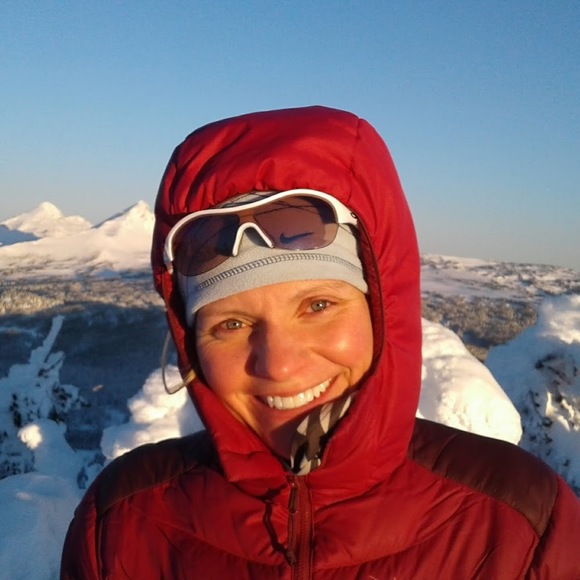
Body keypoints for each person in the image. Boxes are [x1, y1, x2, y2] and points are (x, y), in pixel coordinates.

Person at [61, 106, 580, 579]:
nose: (279, 366)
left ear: (383, 309)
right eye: (232, 324)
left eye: (317, 306)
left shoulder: (521, 522)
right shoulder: (121, 524)